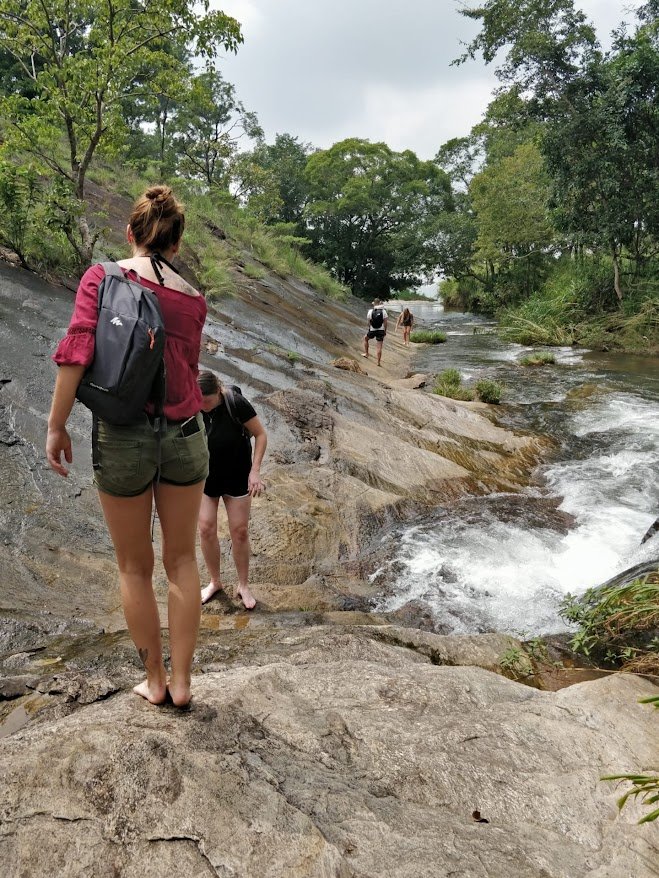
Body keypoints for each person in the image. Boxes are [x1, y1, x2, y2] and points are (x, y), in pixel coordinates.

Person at [46, 185, 209, 708]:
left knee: (134, 567)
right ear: (177, 243)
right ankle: (183, 684)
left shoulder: (102, 277)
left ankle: (155, 682)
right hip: (186, 436)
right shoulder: (194, 299)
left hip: (123, 436)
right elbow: (186, 370)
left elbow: (77, 352)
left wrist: (56, 425)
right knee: (182, 561)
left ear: (130, 232)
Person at [197, 372, 267, 610]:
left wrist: (255, 472)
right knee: (206, 529)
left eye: (207, 401)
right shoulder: (193, 405)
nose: (203, 407)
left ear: (217, 391)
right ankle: (214, 582)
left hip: (237, 474)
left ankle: (243, 585)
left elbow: (260, 434)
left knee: (239, 532)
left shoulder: (235, 403)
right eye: (199, 402)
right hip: (207, 476)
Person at [362, 298, 388, 366]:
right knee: (379, 347)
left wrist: (370, 328)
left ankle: (366, 354)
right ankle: (378, 362)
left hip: (372, 330)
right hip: (381, 330)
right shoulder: (384, 311)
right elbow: (385, 323)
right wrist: (385, 331)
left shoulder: (370, 311)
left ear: (374, 303)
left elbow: (368, 322)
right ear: (379, 303)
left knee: (365, 338)